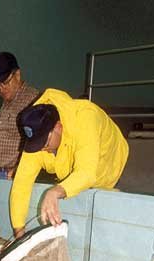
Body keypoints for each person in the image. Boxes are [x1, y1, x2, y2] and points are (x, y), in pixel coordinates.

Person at [10, 88, 129, 235]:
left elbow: (86, 172)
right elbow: (22, 183)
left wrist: (54, 192)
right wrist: (19, 230)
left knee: (110, 224)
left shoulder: (86, 118)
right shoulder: (37, 131)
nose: (41, 149)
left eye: (44, 143)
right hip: (73, 168)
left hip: (111, 167)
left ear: (58, 127)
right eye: (36, 145)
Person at [0, 51, 39, 180]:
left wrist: (18, 170)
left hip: (18, 174)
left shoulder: (33, 100)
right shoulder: (8, 100)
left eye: (6, 82)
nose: (2, 89)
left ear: (17, 75)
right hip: (1, 173)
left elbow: (40, 142)